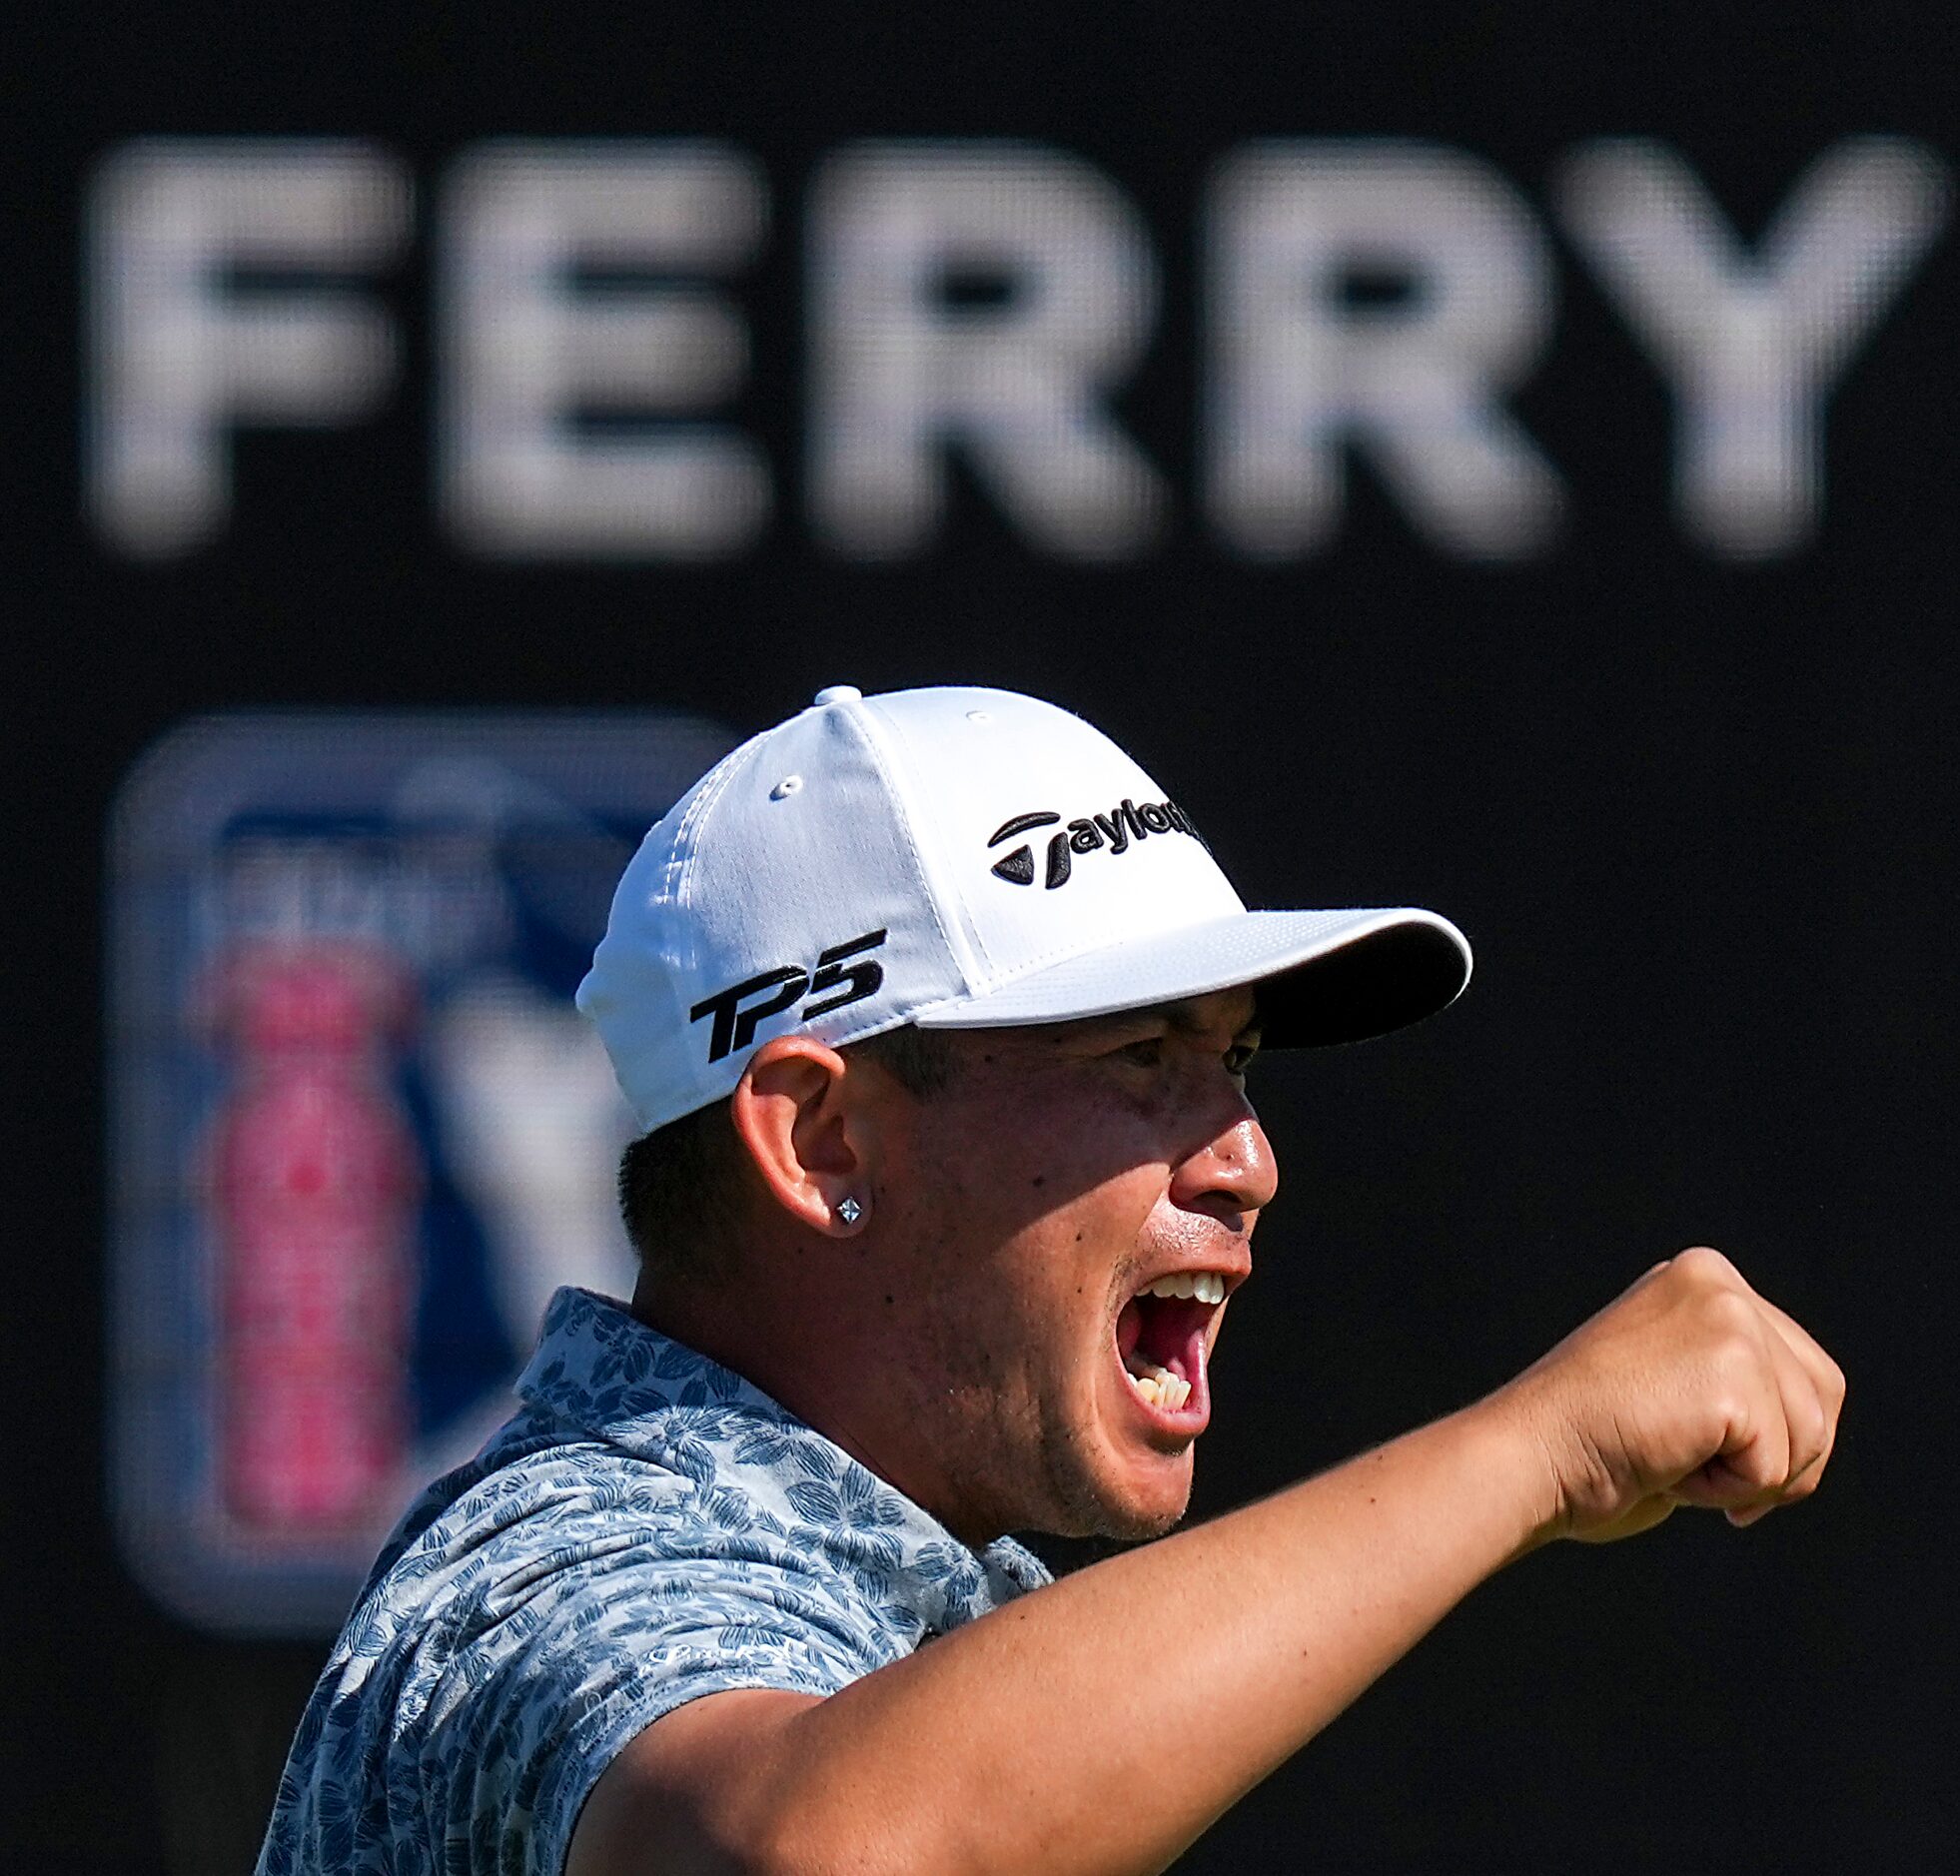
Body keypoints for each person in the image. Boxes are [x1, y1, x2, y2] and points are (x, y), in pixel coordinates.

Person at [258, 684, 1843, 1876]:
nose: (1245, 1157)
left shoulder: (914, 1615)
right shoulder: (553, 1566)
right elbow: (823, 1854)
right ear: (817, 1140)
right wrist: (1532, 1448)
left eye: (1232, 1060)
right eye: (1141, 1057)